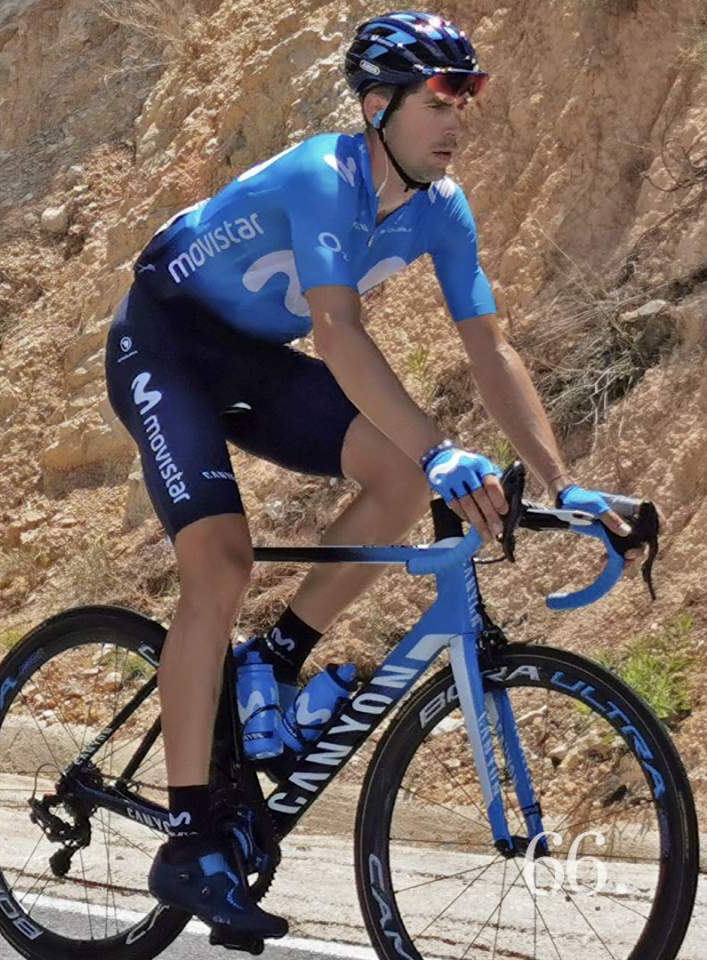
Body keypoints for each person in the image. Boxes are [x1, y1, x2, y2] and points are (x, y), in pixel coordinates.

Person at [102, 11, 644, 947]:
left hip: (255, 358)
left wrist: (562, 482)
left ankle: (273, 658)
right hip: (166, 344)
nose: (456, 122)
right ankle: (186, 838)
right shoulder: (324, 176)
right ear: (376, 103)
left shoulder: (441, 207)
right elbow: (339, 330)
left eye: (465, 101)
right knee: (221, 565)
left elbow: (489, 346)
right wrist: (442, 447)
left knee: (397, 478)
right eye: (438, 100)